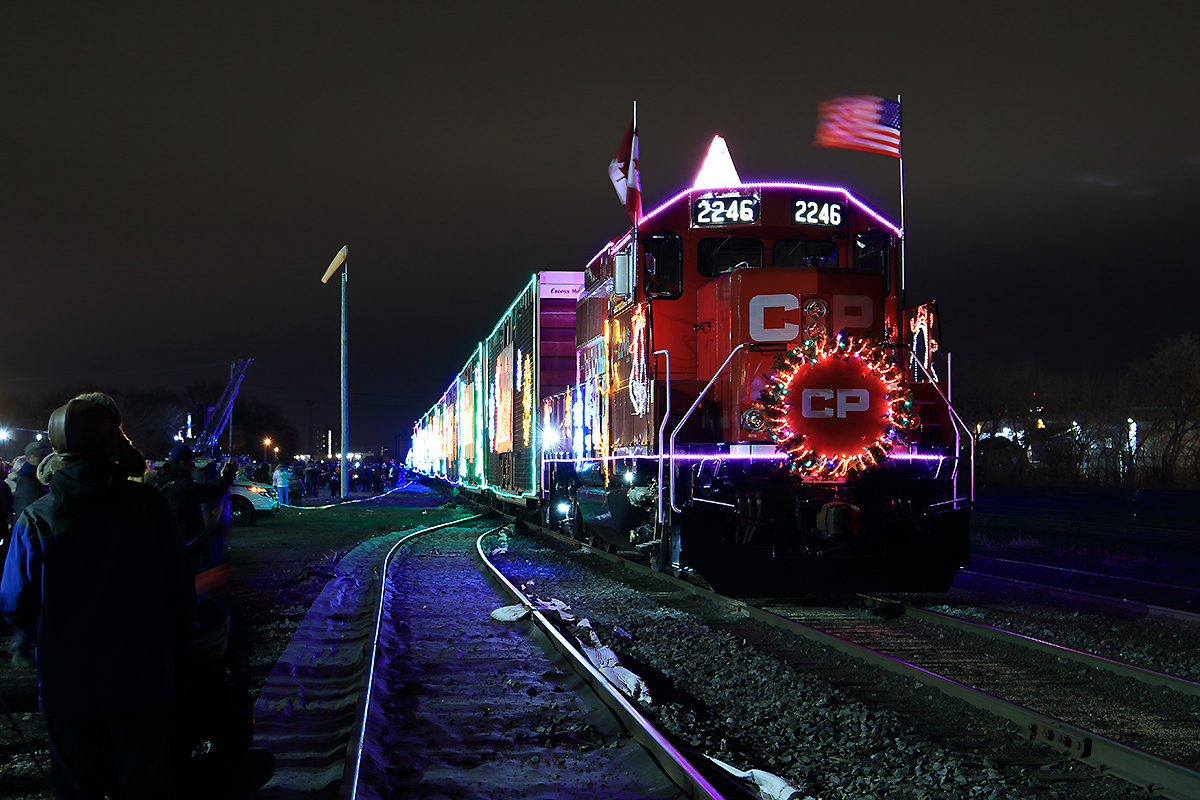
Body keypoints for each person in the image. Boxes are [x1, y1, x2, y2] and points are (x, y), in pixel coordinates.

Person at [0, 392, 196, 799]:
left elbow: (15, 603)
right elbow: (179, 587)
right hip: (145, 678)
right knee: (146, 784)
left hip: (69, 684)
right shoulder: (150, 506)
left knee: (80, 787)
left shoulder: (38, 517)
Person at [173, 598, 274, 799]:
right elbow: (237, 744)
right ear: (217, 642)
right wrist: (240, 687)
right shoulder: (207, 685)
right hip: (182, 780)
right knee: (262, 763)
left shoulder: (176, 669)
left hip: (157, 773)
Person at [156, 445, 238, 572]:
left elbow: (202, 488)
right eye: (191, 461)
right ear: (183, 464)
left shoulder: (170, 481)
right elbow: (210, 492)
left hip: (178, 540)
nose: (193, 465)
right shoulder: (181, 485)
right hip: (186, 542)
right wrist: (228, 474)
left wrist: (221, 477)